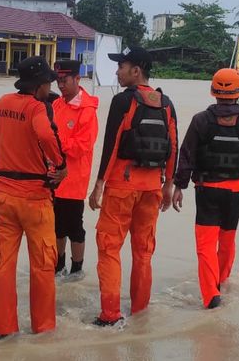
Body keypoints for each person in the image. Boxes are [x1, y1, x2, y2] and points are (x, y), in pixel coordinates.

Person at [88, 47, 178, 327]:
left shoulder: (123, 101)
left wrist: (98, 184)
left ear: (136, 71)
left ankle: (111, 315)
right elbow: (174, 147)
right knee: (143, 252)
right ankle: (140, 312)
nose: (117, 71)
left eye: (122, 66)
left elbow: (111, 144)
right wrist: (169, 185)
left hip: (121, 187)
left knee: (109, 248)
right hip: (152, 187)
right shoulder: (166, 103)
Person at [172, 68, 239, 309]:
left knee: (205, 244)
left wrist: (178, 186)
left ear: (213, 91)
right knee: (227, 241)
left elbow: (186, 155)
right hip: (235, 191)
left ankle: (211, 295)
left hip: (207, 190)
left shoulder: (200, 121)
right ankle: (221, 281)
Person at [0, 56, 67, 339]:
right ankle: (43, 329)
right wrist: (60, 166)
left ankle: (5, 330)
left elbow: (1, 138)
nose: (50, 88)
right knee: (43, 266)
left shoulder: (0, 104)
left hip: (3, 196)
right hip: (34, 199)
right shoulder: (37, 108)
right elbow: (47, 136)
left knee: (3, 267)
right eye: (48, 83)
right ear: (39, 85)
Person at [52, 60, 99, 281]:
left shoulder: (87, 111)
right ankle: (58, 265)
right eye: (58, 81)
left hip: (74, 179)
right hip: (54, 176)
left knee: (74, 227)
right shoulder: (57, 105)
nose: (61, 85)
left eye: (65, 80)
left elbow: (82, 147)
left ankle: (76, 270)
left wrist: (56, 143)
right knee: (56, 225)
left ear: (77, 79)